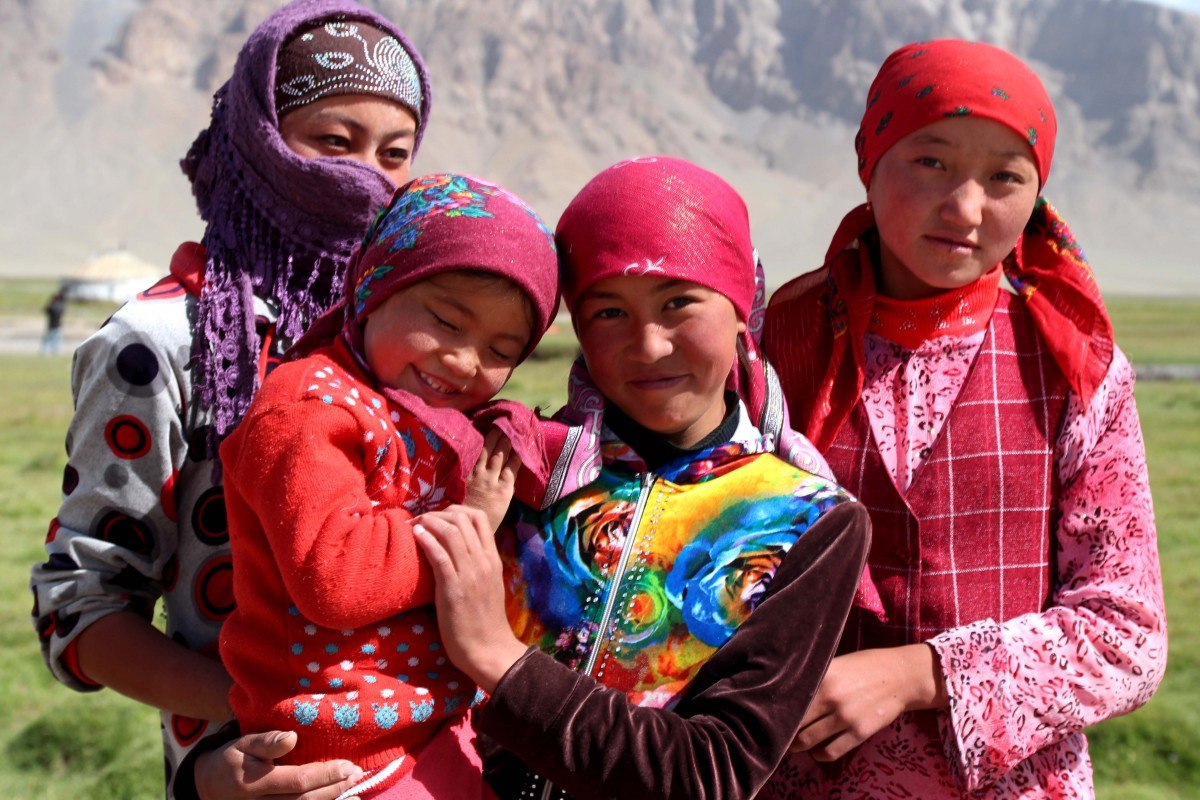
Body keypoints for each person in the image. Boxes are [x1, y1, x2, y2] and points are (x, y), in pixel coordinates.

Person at [29, 2, 432, 797]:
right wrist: (246, 726)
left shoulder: (407, 334)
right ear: (263, 143)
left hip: (429, 756)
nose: (369, 180)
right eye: (333, 143)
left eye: (394, 154)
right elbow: (78, 606)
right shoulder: (159, 341)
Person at [760, 39, 1167, 798]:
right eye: (931, 162)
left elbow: (1127, 635)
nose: (966, 207)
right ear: (869, 158)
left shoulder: (1076, 369)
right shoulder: (773, 351)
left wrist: (922, 674)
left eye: (1004, 177)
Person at [411, 156, 872, 800]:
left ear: (742, 308)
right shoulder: (511, 468)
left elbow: (712, 774)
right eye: (608, 312)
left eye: (679, 302)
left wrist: (499, 659)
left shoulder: (807, 522)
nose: (649, 345)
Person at [217, 173, 560, 799]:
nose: (463, 360)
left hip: (422, 731)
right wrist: (472, 521)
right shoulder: (307, 405)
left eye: (501, 349)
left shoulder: (423, 415)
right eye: (446, 321)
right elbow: (336, 575)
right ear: (377, 286)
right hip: (338, 756)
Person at [41, 289, 66, 355]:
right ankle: (56, 352)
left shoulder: (52, 307)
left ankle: (44, 352)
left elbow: (45, 309)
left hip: (51, 326)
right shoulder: (60, 307)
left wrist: (49, 301)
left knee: (47, 340)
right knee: (57, 341)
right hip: (58, 326)